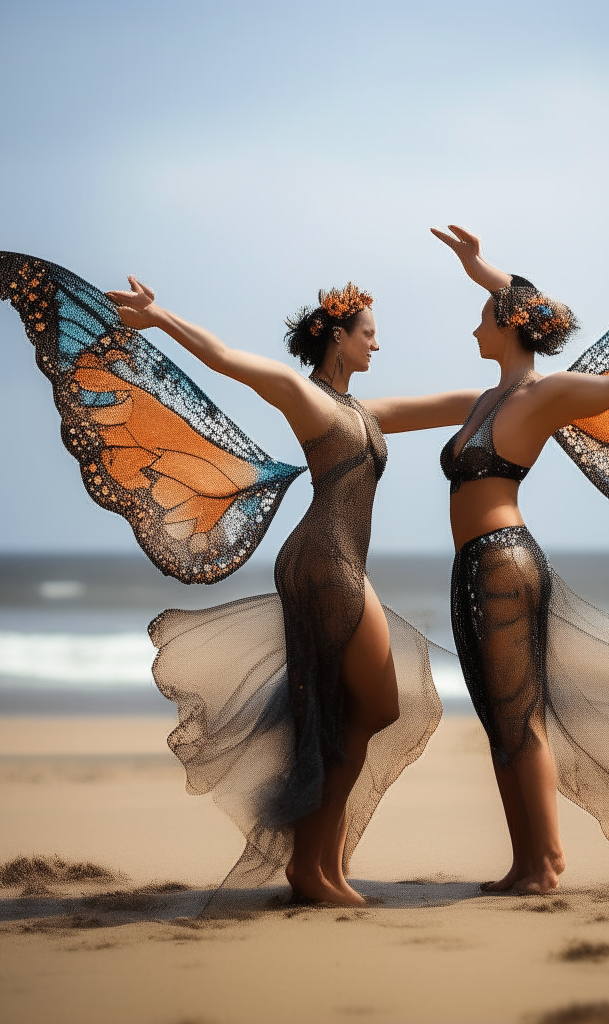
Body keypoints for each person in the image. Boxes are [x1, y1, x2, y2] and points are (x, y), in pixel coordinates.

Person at [106, 276, 479, 907]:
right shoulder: (306, 399)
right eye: (369, 334)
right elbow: (225, 359)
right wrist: (160, 315)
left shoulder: (366, 413)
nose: (377, 346)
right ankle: (311, 867)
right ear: (337, 337)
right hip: (322, 560)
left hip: (336, 561)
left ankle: (321, 865)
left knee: (352, 713)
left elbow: (460, 403)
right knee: (370, 707)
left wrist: (529, 390)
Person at [431, 225, 609, 894]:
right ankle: (524, 862)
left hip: (502, 561)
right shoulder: (488, 401)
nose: (473, 332)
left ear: (509, 329)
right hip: (474, 563)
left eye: (482, 321)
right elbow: (516, 303)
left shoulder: (539, 396)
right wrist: (480, 267)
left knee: (520, 715)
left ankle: (547, 863)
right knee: (499, 716)